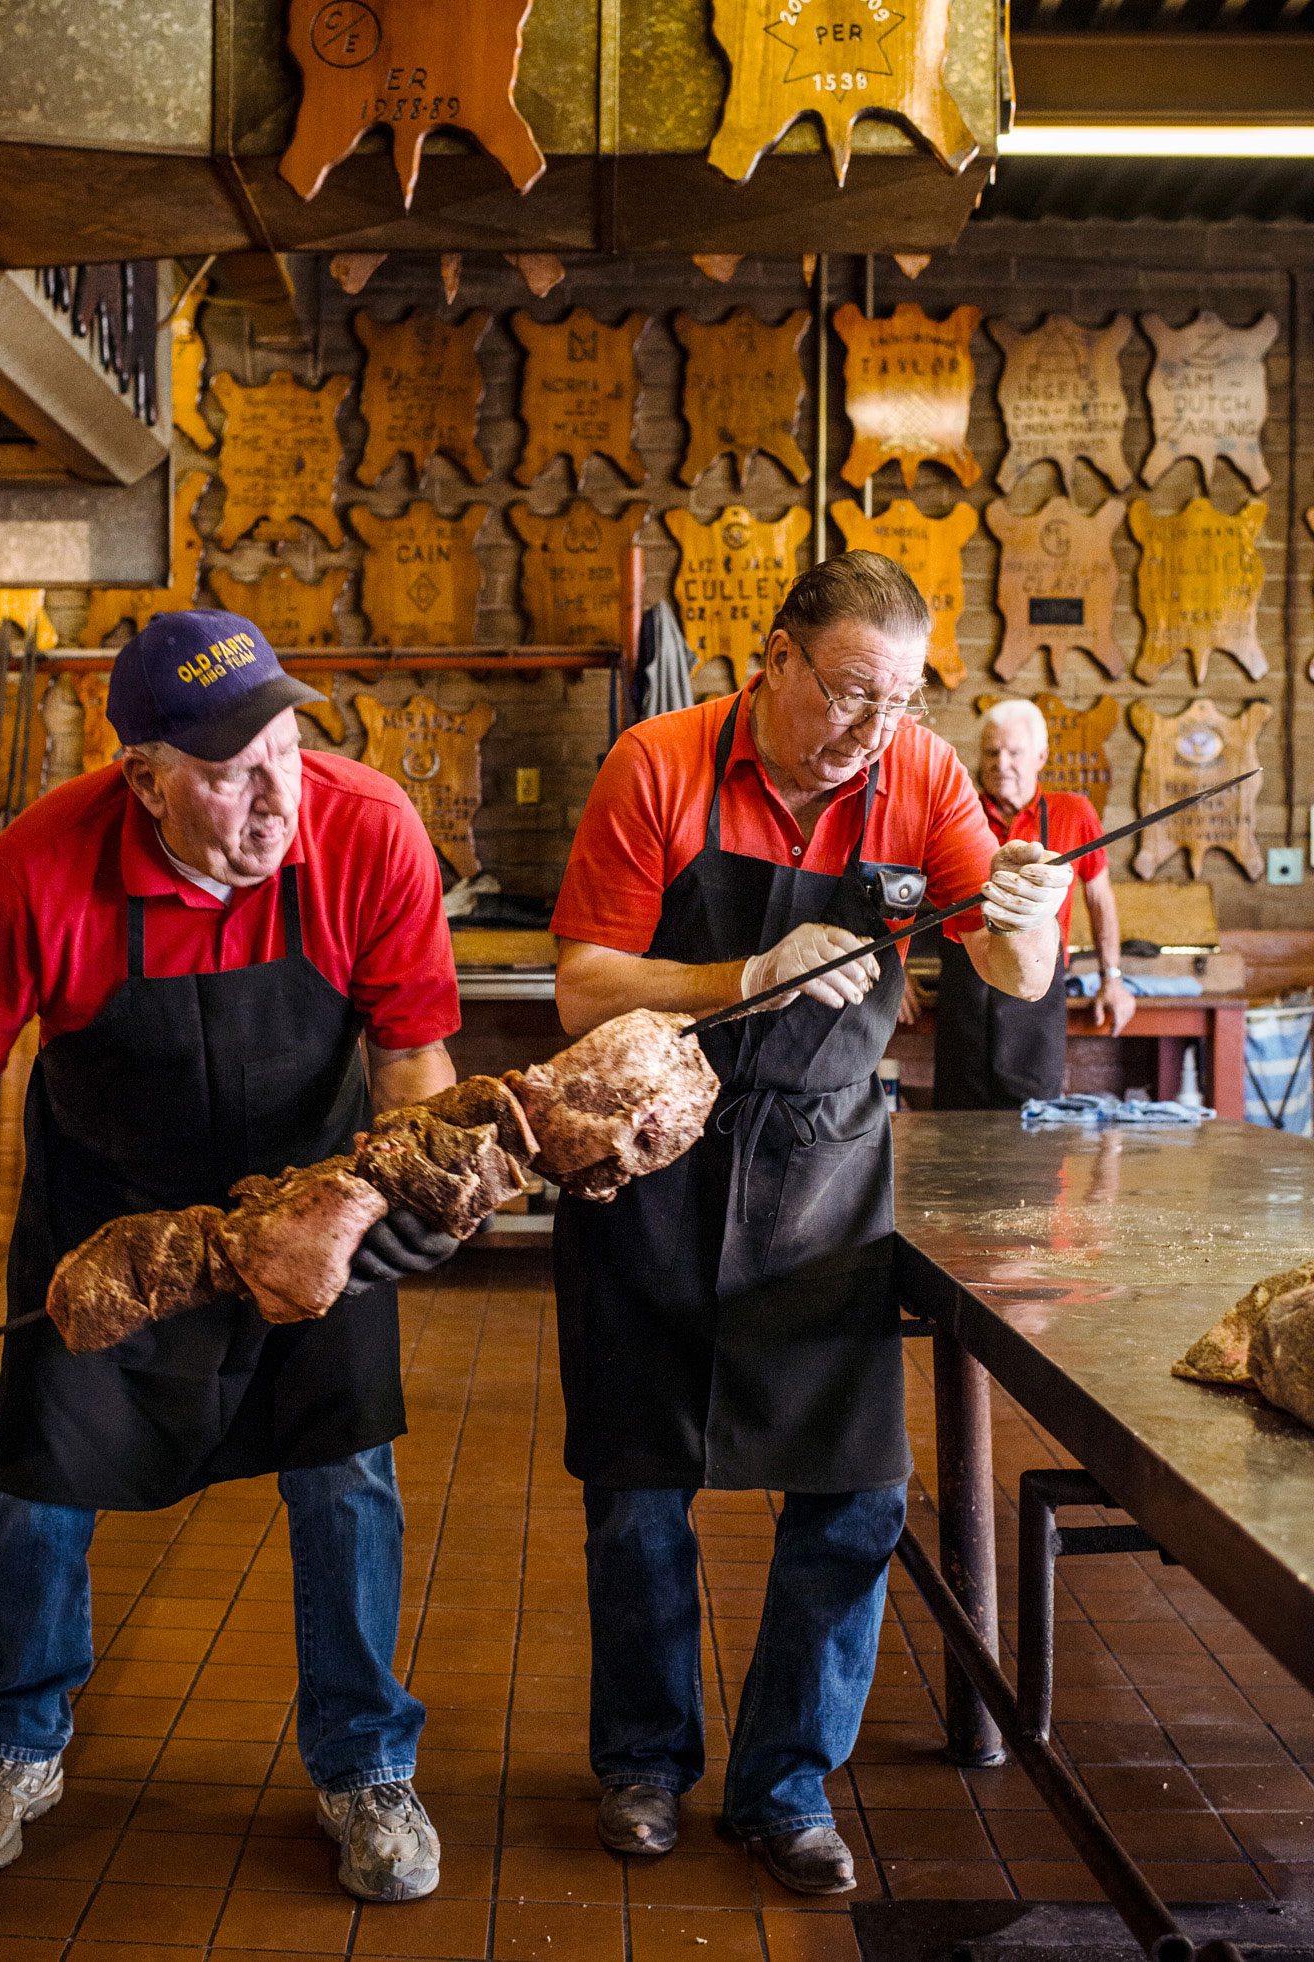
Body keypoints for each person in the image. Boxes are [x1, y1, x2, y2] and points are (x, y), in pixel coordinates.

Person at [0, 612, 470, 1901]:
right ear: (144, 778)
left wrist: (401, 1201)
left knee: (346, 1478)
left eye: (288, 743)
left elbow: (408, 1063)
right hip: (108, 1218)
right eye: (231, 771)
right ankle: (13, 1739)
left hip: (307, 1205)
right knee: (37, 1485)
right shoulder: (37, 869)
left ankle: (363, 1763)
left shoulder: (368, 826)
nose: (275, 792)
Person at [546, 553, 1073, 1894]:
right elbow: (580, 986)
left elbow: (1006, 967)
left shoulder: (921, 779)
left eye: (896, 703)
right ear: (773, 659)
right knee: (639, 1488)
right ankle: (646, 1763)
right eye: (845, 693)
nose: (868, 729)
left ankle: (785, 1784)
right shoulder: (658, 765)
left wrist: (1036, 917)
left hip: (825, 1181)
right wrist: (745, 972)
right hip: (653, 1174)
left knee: (851, 1491)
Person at [926, 696, 1135, 1109]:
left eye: (1014, 752)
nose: (1001, 763)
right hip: (962, 989)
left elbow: (1099, 898)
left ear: (1040, 756)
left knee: (1033, 1126)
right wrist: (896, 976)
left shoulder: (1074, 812)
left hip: (1037, 992)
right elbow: (905, 891)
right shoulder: (953, 814)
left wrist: (1112, 977)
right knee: (954, 1127)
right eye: (991, 751)